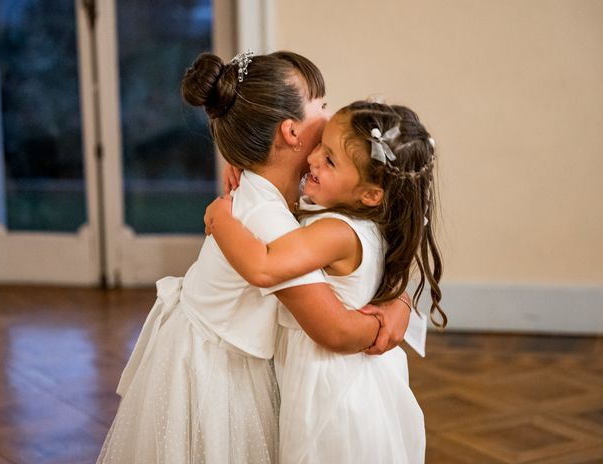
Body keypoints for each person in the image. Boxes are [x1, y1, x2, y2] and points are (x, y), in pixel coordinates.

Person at [97, 51, 411, 463]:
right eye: (322, 104)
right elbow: (333, 329)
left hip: (225, 353)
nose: (330, 113)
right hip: (214, 372)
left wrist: (398, 299)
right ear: (291, 132)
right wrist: (382, 327)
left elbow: (379, 244)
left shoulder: (290, 189)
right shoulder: (266, 218)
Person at [204, 100, 448, 463]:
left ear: (369, 193)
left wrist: (219, 217)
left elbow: (264, 266)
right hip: (353, 380)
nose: (314, 157)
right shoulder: (365, 216)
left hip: (330, 389)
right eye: (320, 144)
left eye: (330, 159)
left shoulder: (335, 231)